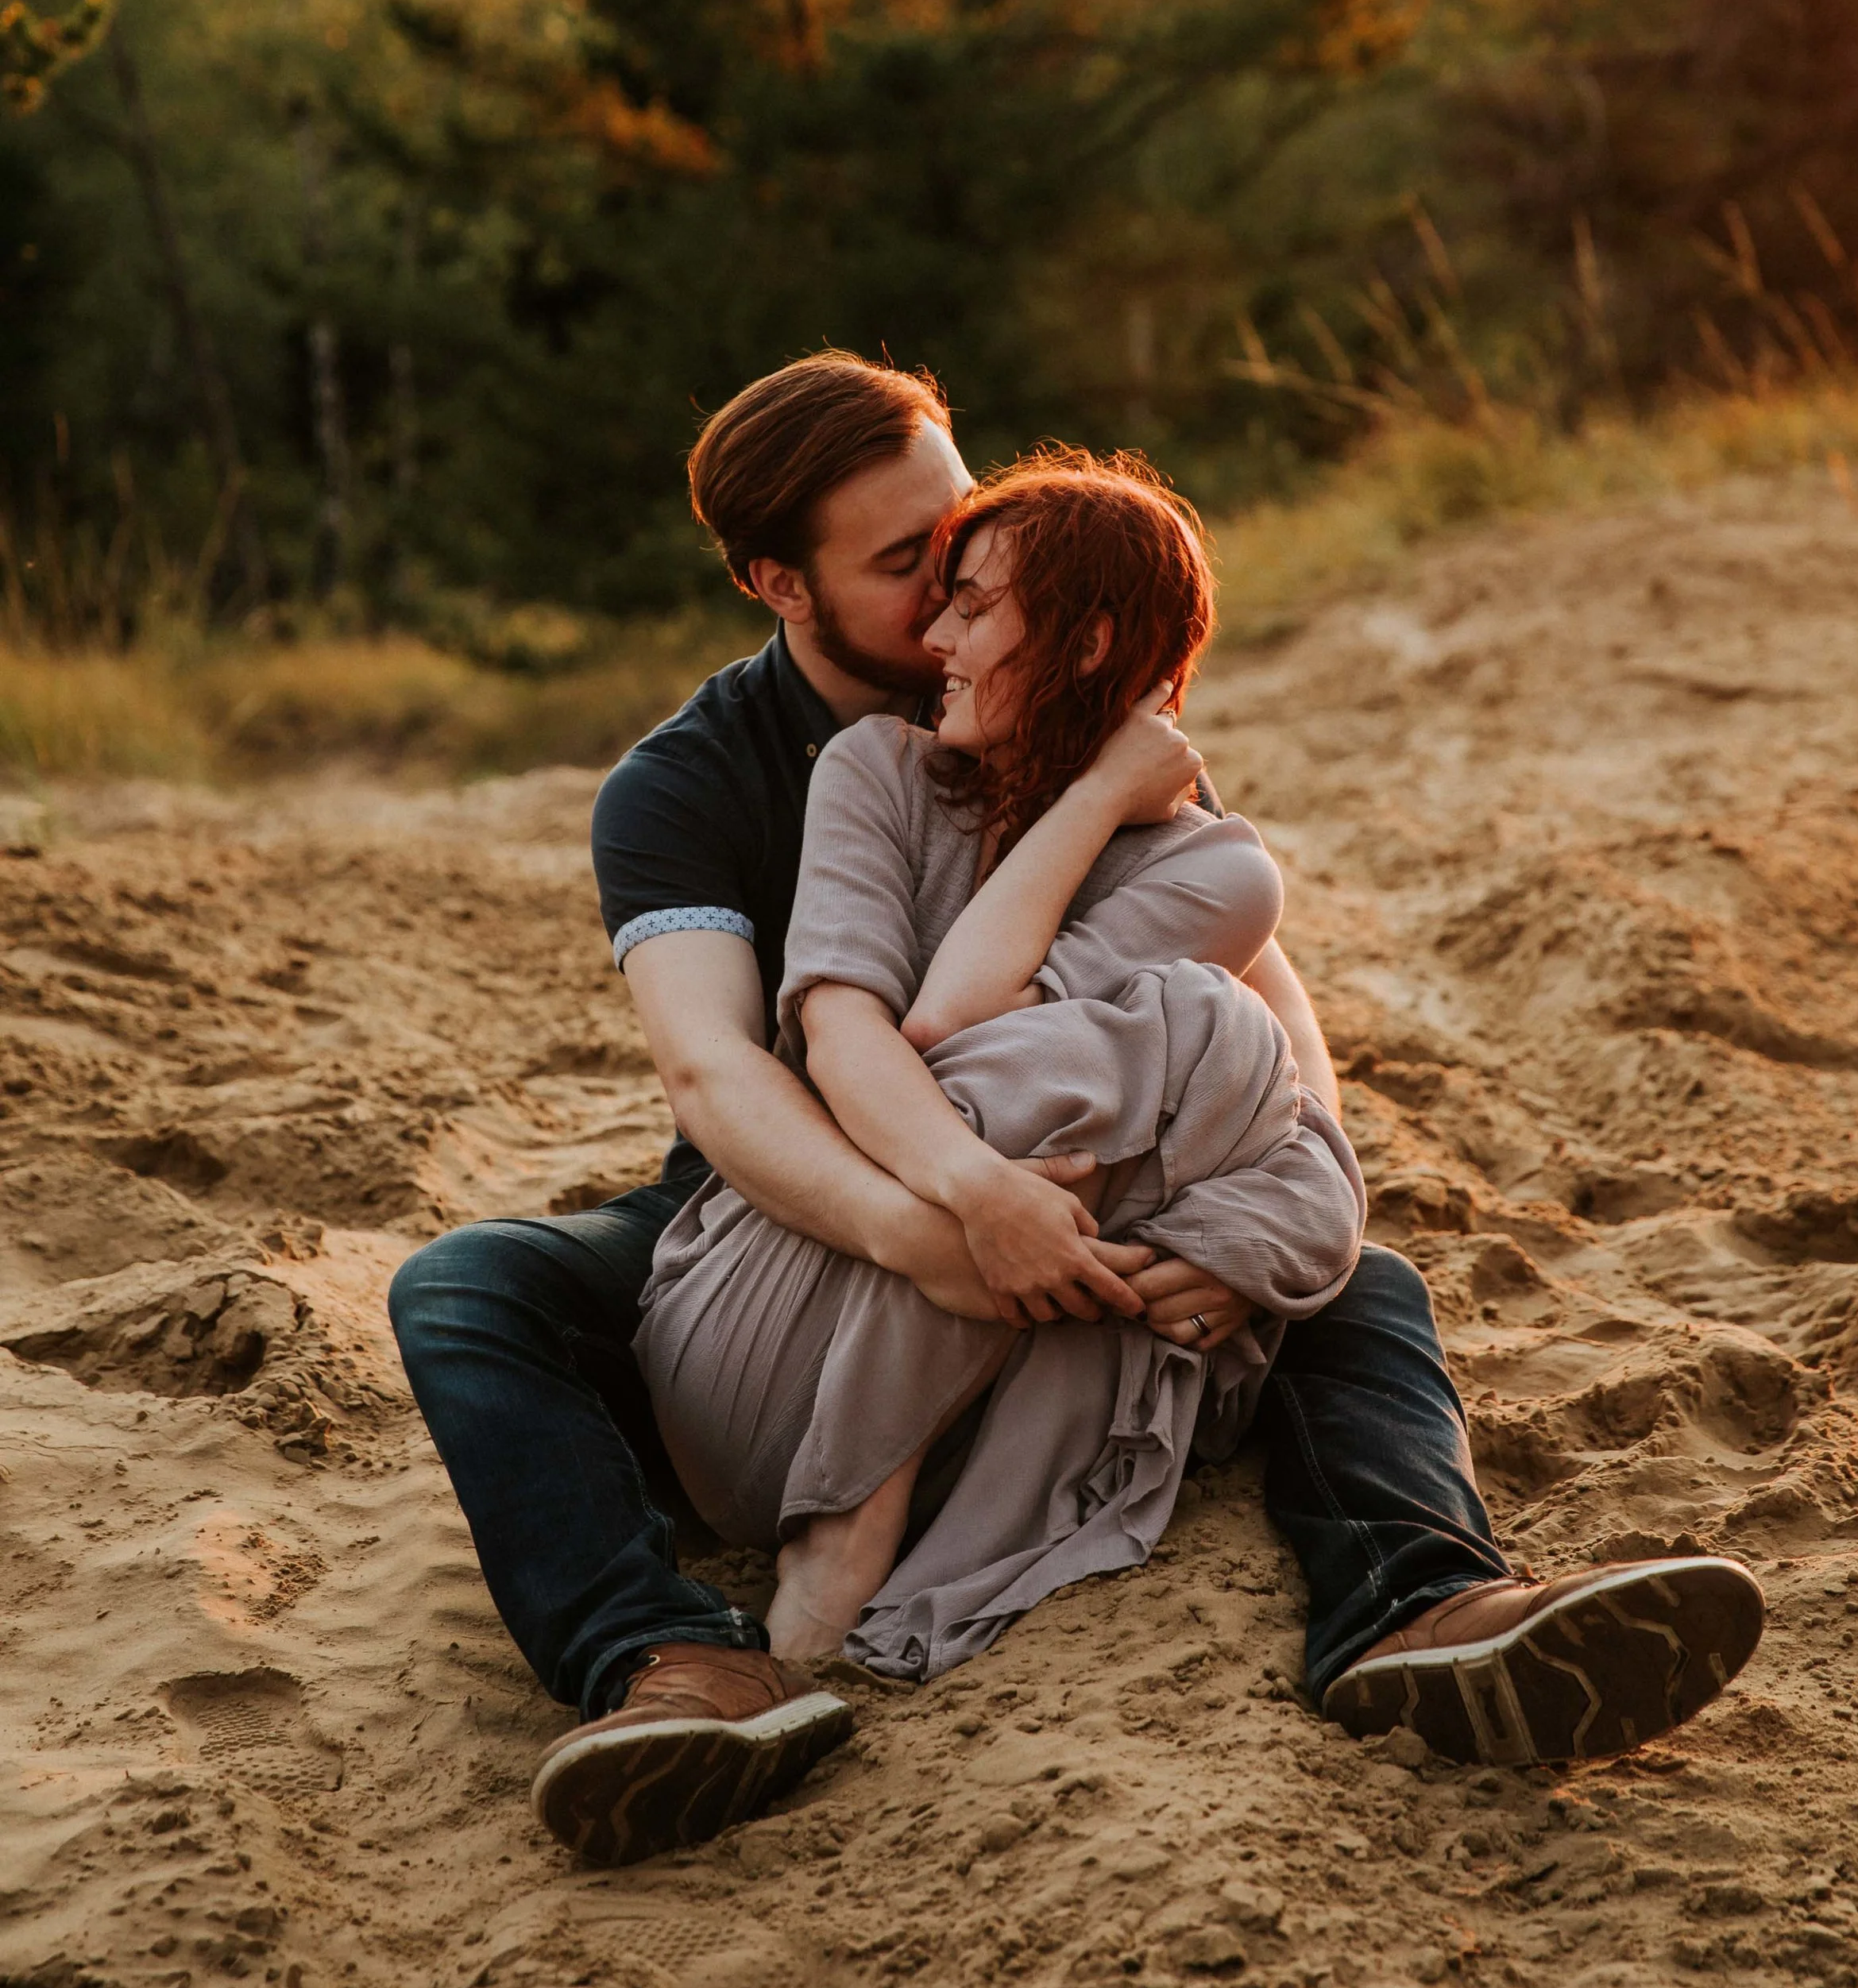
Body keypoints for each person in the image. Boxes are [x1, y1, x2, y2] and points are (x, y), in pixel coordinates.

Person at [390, 352, 1765, 1869]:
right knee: (468, 1288)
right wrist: (932, 1228)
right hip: (794, 1199)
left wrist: (1256, 1233)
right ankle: (676, 1662)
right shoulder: (690, 784)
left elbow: (1258, 1013)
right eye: (906, 564)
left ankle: (1417, 1605)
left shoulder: (1059, 702)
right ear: (776, 581)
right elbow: (724, 1076)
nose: (952, 591)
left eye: (961, 532)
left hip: (1082, 1200)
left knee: (1359, 1282)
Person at [632, 453, 1365, 1685]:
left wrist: (1237, 1246)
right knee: (1196, 1036)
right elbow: (915, 1030)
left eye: (972, 602)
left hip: (1027, 1397)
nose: (937, 630)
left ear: (1086, 647)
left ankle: (899, 1519)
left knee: (1226, 1046)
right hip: (762, 1362)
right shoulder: (874, 769)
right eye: (936, 592)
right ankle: (846, 1523)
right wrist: (978, 1194)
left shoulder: (1221, 869)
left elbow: (1300, 1109)